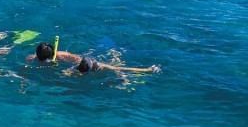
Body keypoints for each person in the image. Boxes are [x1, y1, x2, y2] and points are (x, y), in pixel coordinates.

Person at [28, 41, 160, 75]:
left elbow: (80, 59)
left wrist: (77, 69)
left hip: (88, 63)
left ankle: (147, 70)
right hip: (79, 67)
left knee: (115, 68)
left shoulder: (62, 55)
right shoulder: (32, 59)